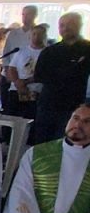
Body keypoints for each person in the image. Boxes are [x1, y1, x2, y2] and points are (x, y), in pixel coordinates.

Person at [31, 13, 90, 144]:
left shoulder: (87, 49)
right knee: (42, 143)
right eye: (62, 25)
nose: (65, 28)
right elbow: (39, 76)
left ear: (79, 25)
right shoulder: (50, 51)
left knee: (66, 144)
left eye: (70, 24)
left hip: (75, 107)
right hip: (48, 105)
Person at [3, 24, 48, 120]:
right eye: (34, 34)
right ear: (30, 36)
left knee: (29, 120)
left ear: (44, 36)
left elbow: (45, 73)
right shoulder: (21, 51)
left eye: (39, 34)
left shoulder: (47, 52)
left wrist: (26, 82)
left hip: (35, 91)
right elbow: (12, 68)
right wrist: (17, 81)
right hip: (16, 90)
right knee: (11, 118)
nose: (36, 36)